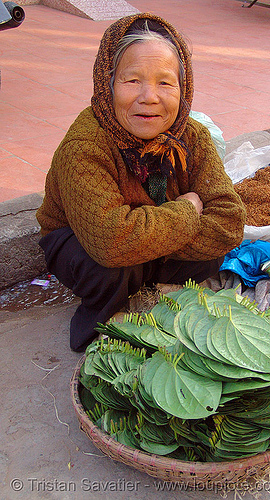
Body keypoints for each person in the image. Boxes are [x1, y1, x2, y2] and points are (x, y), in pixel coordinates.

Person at [36, 13, 246, 352]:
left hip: (139, 237)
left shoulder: (191, 136)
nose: (149, 97)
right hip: (82, 242)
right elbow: (110, 241)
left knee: (211, 255)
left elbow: (230, 222)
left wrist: (145, 239)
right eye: (132, 80)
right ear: (108, 84)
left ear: (184, 87)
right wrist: (188, 210)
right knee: (111, 270)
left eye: (165, 83)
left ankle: (148, 280)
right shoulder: (85, 146)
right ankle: (99, 321)